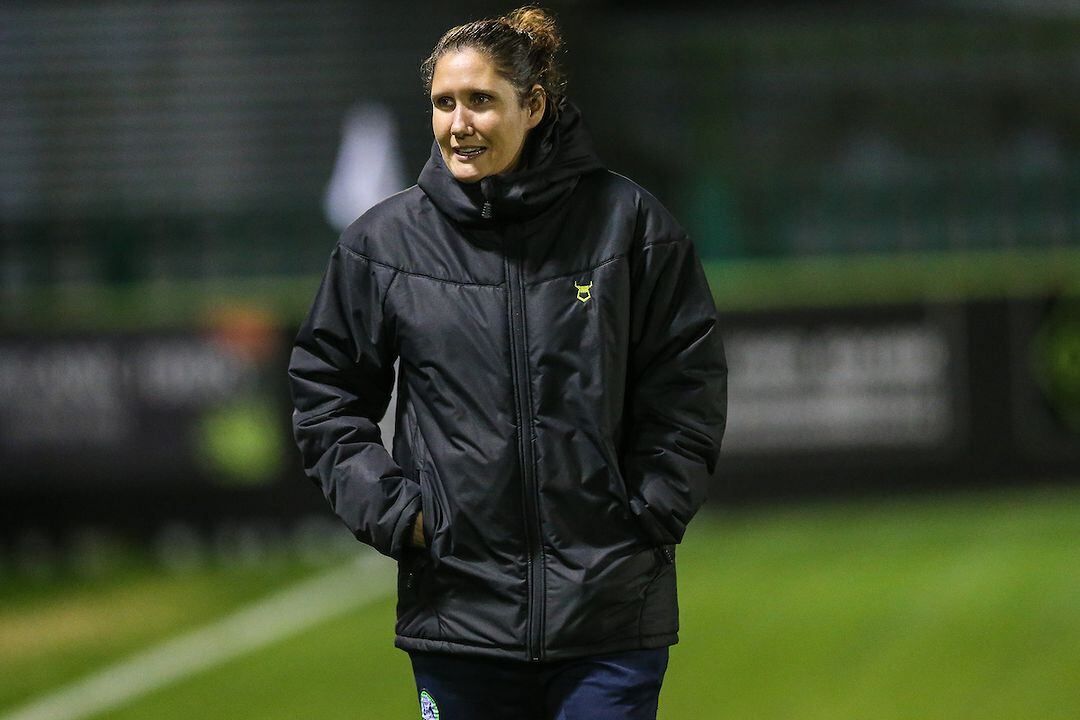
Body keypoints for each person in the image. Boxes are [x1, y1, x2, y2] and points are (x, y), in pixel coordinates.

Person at [288, 6, 727, 719]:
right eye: (444, 103)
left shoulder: (630, 224)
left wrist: (650, 510)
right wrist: (400, 515)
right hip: (457, 617)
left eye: (481, 100)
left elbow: (688, 382)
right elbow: (325, 392)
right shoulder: (382, 245)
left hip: (609, 615)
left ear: (535, 105)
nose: (459, 123)